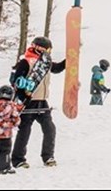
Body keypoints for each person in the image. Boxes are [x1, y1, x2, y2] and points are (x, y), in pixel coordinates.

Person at [10, 36, 65, 169]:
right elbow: (15, 80)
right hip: (29, 102)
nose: (49, 52)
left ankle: (48, 156)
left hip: (42, 101)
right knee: (25, 131)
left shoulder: (45, 63)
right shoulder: (25, 61)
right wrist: (23, 92)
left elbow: (56, 68)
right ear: (40, 48)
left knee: (49, 129)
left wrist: (69, 60)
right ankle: (18, 159)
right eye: (48, 49)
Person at [0, 85, 21, 175]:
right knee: (5, 151)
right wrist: (13, 123)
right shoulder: (11, 106)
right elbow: (16, 118)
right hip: (5, 134)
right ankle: (4, 167)